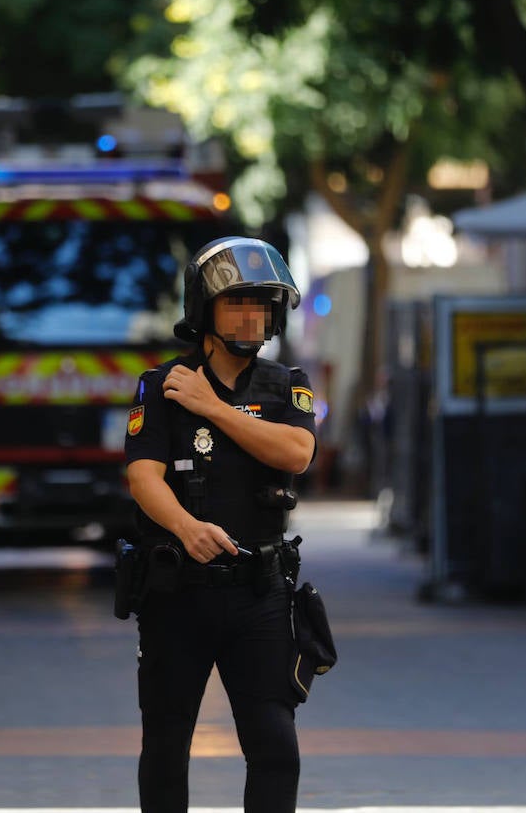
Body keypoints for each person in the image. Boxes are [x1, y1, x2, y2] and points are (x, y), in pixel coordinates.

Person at [124, 236, 317, 813]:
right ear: (203, 309)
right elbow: (142, 477)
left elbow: (296, 453)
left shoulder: (287, 385)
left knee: (276, 749)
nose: (251, 317)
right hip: (177, 591)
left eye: (261, 305)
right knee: (165, 745)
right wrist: (186, 528)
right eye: (237, 303)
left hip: (260, 593)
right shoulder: (160, 386)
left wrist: (212, 406)